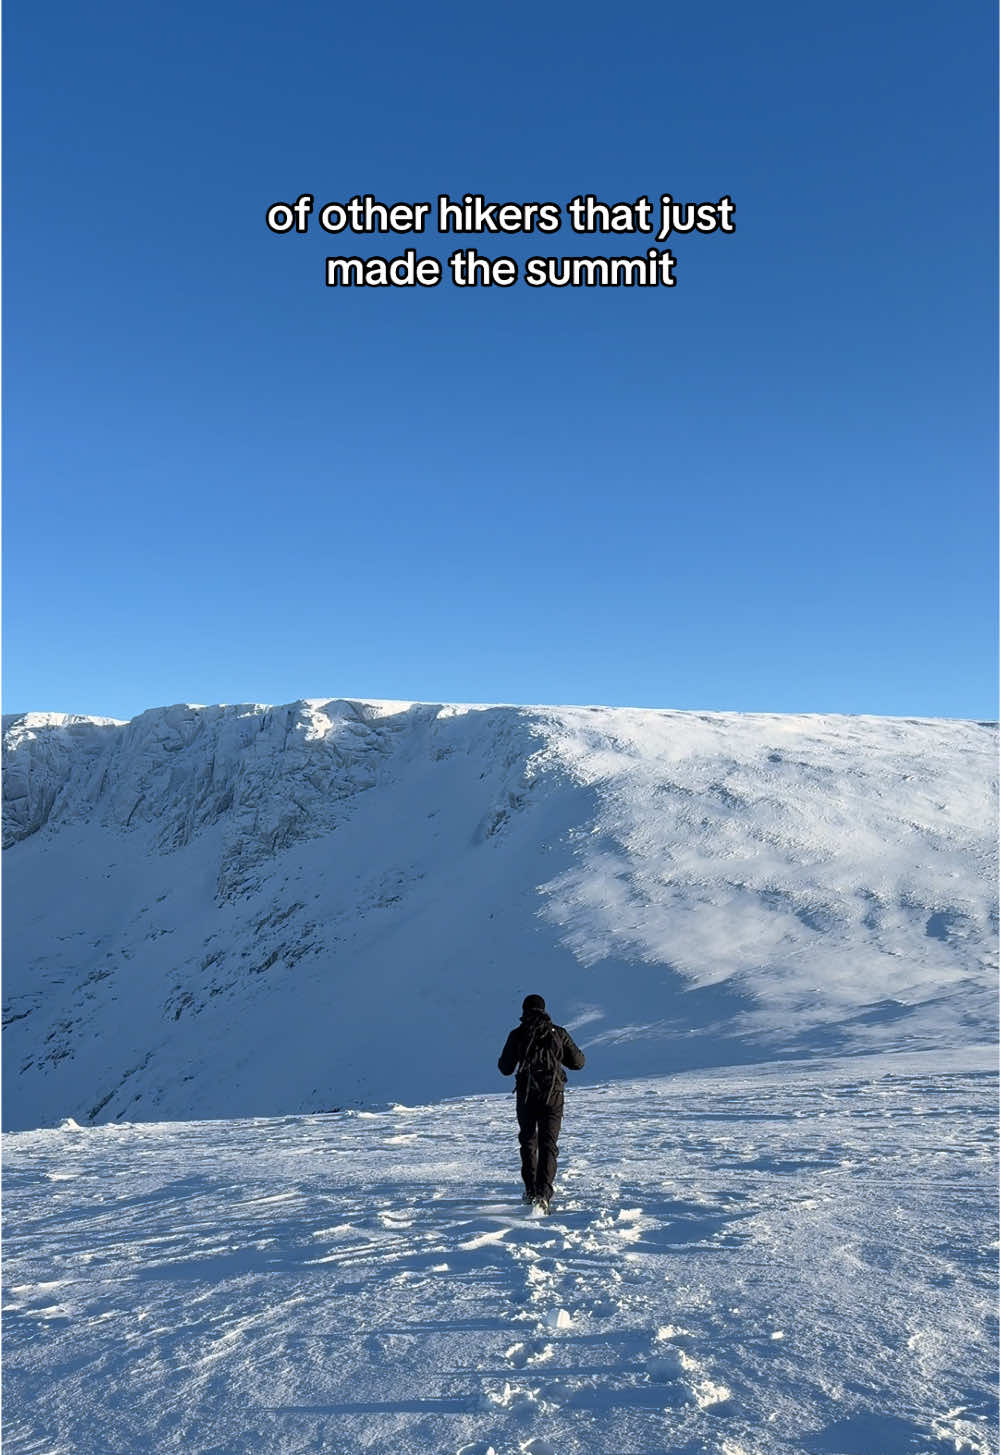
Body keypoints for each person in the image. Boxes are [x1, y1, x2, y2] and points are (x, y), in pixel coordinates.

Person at [497, 994, 586, 1213]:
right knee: (548, 1144)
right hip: (553, 1095)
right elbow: (578, 1062)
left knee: (528, 1141)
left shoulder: (517, 1034)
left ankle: (530, 1191)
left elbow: (505, 1068)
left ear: (524, 1010)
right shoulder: (558, 1033)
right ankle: (543, 1194)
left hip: (527, 1096)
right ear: (544, 1010)